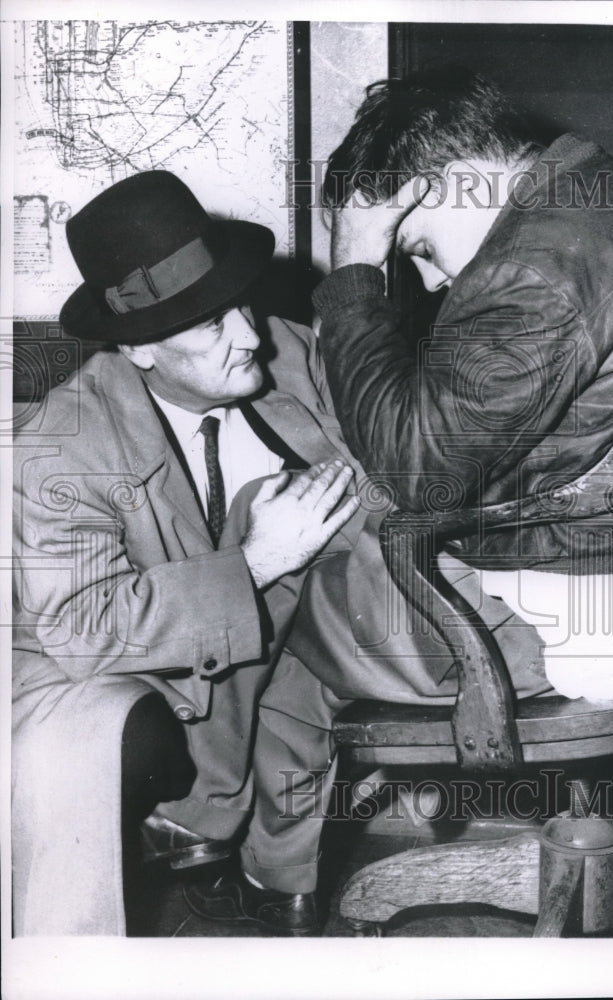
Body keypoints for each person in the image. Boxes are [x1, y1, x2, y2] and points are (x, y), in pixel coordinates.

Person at [185, 68, 613, 928]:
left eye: (419, 247)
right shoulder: (585, 193)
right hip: (600, 549)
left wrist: (357, 266)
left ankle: (253, 861)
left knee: (275, 581)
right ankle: (265, 861)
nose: (434, 281)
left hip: (575, 603)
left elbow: (415, 468)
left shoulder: (539, 269)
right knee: (303, 589)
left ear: (438, 184)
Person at [11, 170, 362, 935]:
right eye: (209, 324)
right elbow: (82, 627)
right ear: (138, 350)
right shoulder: (56, 447)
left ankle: (281, 872)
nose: (250, 334)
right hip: (132, 680)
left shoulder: (291, 357)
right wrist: (257, 564)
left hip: (297, 658)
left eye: (242, 302)